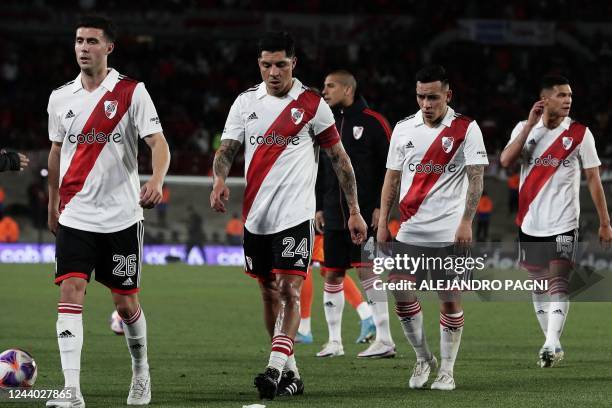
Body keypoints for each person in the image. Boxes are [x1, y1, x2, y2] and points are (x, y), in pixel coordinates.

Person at [210, 32, 367, 400]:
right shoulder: (245, 102)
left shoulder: (312, 103)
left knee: (289, 288)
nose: (273, 72)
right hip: (256, 218)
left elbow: (340, 160)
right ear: (259, 65)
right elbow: (228, 148)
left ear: (293, 63)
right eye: (266, 64)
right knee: (267, 291)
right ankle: (291, 373)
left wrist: (355, 211)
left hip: (295, 216)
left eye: (281, 64)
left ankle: (274, 367)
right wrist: (218, 179)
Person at [46, 16, 170, 407]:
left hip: (121, 217)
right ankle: (71, 392)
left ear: (108, 47)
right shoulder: (60, 98)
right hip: (76, 215)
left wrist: (157, 180)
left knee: (125, 302)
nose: (83, 47)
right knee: (70, 290)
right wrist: (53, 206)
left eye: (92, 41)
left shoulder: (132, 92)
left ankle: (141, 373)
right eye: (79, 40)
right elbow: (55, 152)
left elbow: (158, 142)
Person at [378, 65, 488, 391]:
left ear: (448, 95)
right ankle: (424, 358)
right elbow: (392, 179)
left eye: (433, 97)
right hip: (411, 230)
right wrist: (383, 222)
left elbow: (477, 178)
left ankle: (448, 371)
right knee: (399, 292)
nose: (426, 104)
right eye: (421, 97)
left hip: (450, 232)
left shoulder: (466, 129)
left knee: (449, 300)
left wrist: (467, 221)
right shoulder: (403, 129)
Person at [500, 75, 612, 368]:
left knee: (558, 282)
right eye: (561, 95)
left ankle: (550, 343)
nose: (568, 100)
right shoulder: (526, 130)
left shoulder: (579, 133)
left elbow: (593, 179)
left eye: (570, 95)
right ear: (545, 99)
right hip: (530, 222)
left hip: (564, 222)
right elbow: (505, 161)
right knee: (538, 285)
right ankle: (552, 343)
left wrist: (605, 222)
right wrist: (527, 126)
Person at [315, 70, 395, 358]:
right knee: (332, 274)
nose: (324, 91)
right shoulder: (328, 122)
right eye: (324, 86)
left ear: (348, 89)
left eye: (331, 86)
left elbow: (391, 169)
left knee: (367, 272)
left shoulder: (374, 122)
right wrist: (319, 206)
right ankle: (334, 341)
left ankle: (385, 340)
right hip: (334, 215)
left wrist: (381, 209)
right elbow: (321, 168)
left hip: (365, 215)